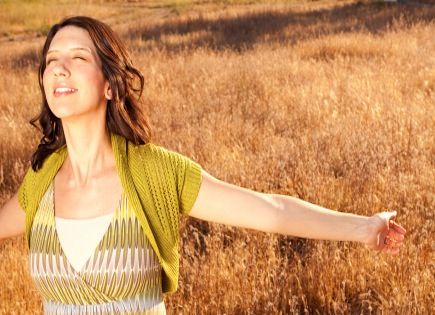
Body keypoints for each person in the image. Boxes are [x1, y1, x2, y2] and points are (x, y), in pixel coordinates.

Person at [0, 16, 406, 315]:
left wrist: (363, 227)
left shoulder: (156, 173)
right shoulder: (43, 178)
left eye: (77, 57)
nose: (58, 67)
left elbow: (272, 209)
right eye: (51, 59)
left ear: (110, 84)